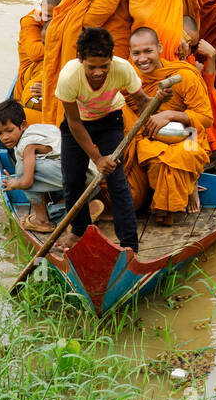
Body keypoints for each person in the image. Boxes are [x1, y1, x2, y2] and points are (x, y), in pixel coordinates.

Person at [53, 26, 154, 253]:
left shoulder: (123, 68)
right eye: (92, 67)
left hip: (110, 120)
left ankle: (129, 243)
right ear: (80, 59)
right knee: (72, 181)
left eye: (104, 66)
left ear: (112, 59)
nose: (98, 72)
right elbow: (74, 123)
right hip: (77, 123)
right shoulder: (69, 76)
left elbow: (142, 100)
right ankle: (78, 230)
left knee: (117, 182)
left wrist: (156, 102)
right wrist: (97, 158)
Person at [123, 27, 212, 226]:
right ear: (130, 54)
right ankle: (168, 205)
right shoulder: (129, 80)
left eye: (148, 51)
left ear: (160, 48)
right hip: (149, 135)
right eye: (136, 53)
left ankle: (191, 185)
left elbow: (205, 118)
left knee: (187, 153)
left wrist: (170, 114)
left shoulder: (183, 75)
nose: (142, 58)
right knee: (155, 160)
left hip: (188, 133)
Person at [0, 98, 63, 232]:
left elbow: (27, 181)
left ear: (23, 125)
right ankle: (66, 204)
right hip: (86, 174)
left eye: (9, 131)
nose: (5, 137)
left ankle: (42, 221)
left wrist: (15, 183)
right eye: (0, 133)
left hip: (76, 178)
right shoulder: (36, 129)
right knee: (34, 164)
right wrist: (5, 130)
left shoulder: (27, 145)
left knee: (21, 169)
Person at [16, 0, 65, 123]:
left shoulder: (66, 22)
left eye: (55, 17)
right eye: (47, 16)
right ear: (41, 7)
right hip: (30, 77)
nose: (51, 22)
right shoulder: (31, 21)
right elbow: (35, 53)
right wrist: (62, 41)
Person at [182, 15, 216, 153]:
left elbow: (207, 89)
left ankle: (202, 146)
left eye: (193, 47)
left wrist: (212, 56)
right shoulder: (167, 54)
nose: (188, 51)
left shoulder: (189, 58)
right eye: (187, 44)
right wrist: (194, 75)